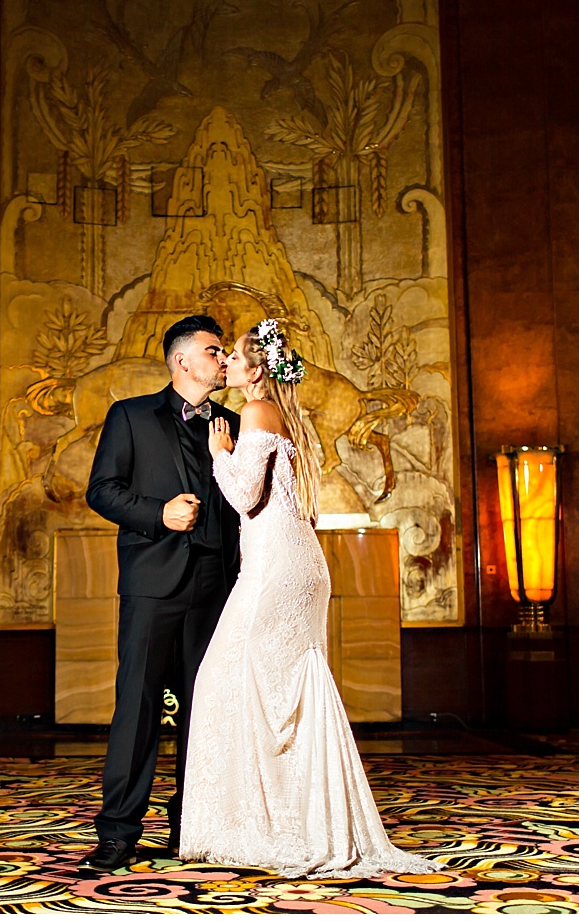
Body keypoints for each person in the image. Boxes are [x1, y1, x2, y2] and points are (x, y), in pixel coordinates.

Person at [179, 318, 440, 879]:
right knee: (281, 692)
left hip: (277, 568)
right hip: (298, 566)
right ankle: (288, 819)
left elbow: (246, 495)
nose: (224, 364)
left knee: (228, 681)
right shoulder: (289, 419)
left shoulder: (252, 413)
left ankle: (268, 827)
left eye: (233, 358)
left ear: (256, 370)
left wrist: (218, 452)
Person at [80, 314, 241, 871]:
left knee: (208, 711)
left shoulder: (233, 422)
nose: (223, 360)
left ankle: (190, 824)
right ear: (183, 361)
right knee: (140, 706)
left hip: (217, 584)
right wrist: (158, 513)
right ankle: (119, 832)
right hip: (153, 582)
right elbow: (101, 491)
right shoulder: (130, 416)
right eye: (214, 351)